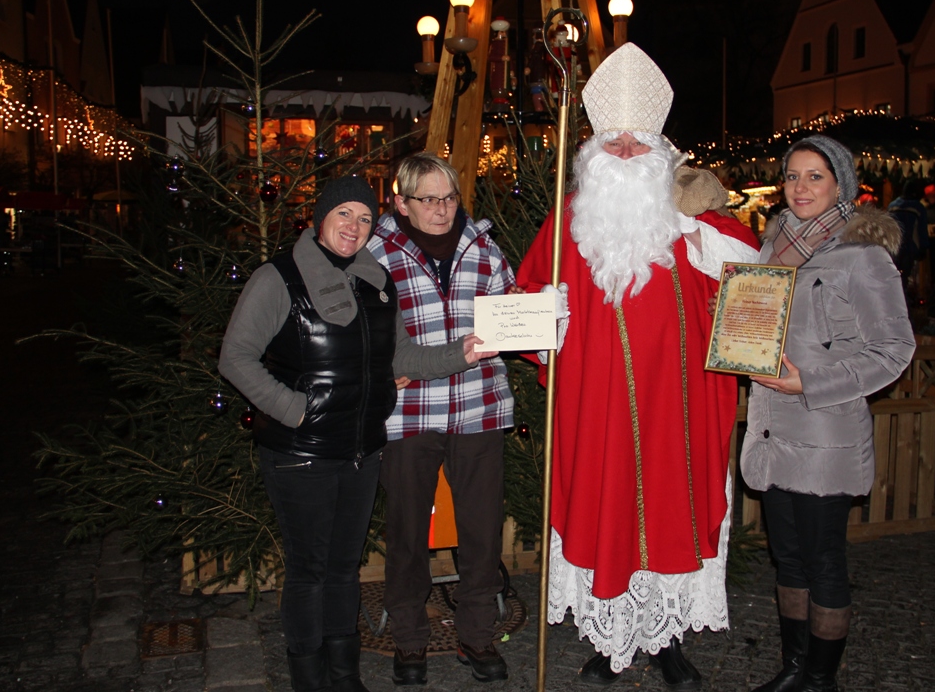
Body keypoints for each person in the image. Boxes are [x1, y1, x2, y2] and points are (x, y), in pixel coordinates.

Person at [515, 43, 760, 686]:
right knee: (605, 510)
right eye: (612, 144)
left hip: (675, 410)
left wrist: (707, 227)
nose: (624, 153)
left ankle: (668, 641)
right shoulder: (567, 224)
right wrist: (544, 321)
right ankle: (606, 642)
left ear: (663, 156)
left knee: (671, 512)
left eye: (638, 144)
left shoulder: (692, 227)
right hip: (595, 411)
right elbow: (526, 300)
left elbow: (752, 283)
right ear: (591, 154)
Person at [217, 176, 496, 692]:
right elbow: (236, 358)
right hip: (301, 451)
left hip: (362, 447)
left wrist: (464, 353)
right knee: (309, 570)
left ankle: (343, 677)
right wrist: (295, 410)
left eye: (365, 218)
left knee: (345, 569)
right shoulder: (279, 278)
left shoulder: (376, 281)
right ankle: (310, 679)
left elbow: (402, 357)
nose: (354, 226)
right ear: (320, 217)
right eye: (343, 213)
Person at [741, 135, 915, 692]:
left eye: (815, 176)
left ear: (841, 184)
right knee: (787, 561)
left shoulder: (863, 258)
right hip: (772, 430)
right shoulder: (770, 253)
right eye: (793, 176)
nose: (801, 187)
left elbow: (893, 351)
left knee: (824, 563)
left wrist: (807, 381)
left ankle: (820, 679)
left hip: (824, 432)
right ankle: (794, 668)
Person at [365, 153, 516, 685]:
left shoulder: (484, 248)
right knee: (407, 531)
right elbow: (367, 336)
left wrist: (532, 314)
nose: (441, 208)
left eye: (448, 197)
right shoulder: (375, 254)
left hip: (478, 407)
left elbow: (508, 316)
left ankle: (476, 636)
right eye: (427, 198)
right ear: (401, 202)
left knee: (480, 530)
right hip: (408, 416)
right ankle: (409, 640)